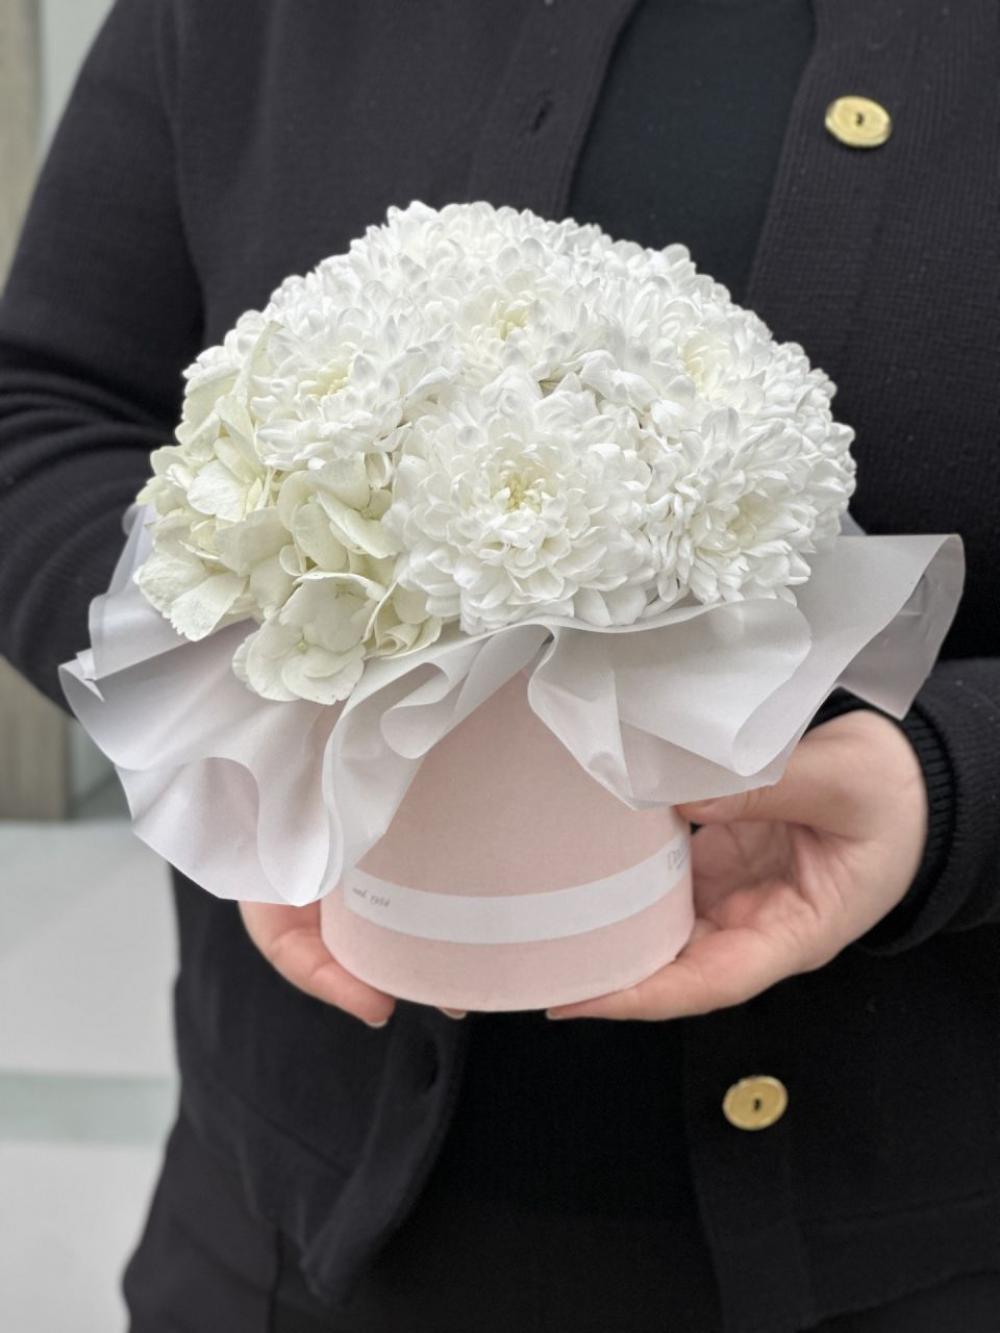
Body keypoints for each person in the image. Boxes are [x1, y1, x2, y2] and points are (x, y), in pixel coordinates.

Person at [1, 1, 998, 1330]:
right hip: (287, 1248)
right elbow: (39, 407)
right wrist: (248, 709)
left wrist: (954, 786)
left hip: (929, 1247)